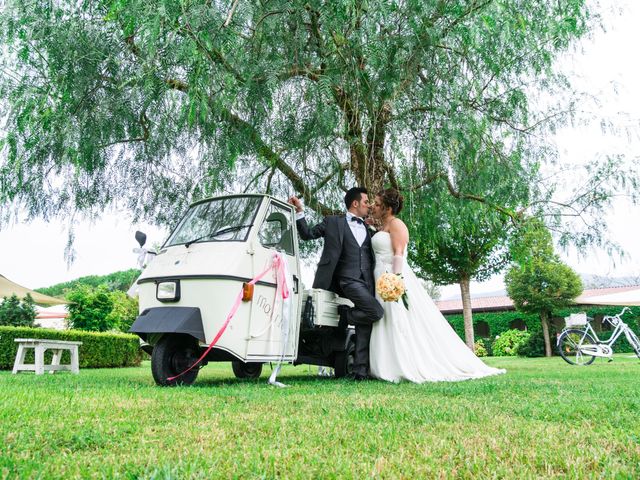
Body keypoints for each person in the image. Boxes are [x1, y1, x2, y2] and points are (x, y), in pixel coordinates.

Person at [368, 188, 506, 383]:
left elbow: (398, 253)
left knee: (397, 319)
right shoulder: (382, 226)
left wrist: (395, 279)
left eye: (377, 204)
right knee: (385, 318)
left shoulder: (397, 224)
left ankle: (402, 365)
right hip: (379, 278)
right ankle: (384, 364)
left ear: (388, 208)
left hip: (391, 277)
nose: (373, 206)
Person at [288, 188, 384, 380]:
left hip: (367, 281)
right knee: (376, 312)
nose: (369, 205)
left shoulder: (368, 228)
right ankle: (345, 315)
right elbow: (307, 234)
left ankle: (360, 372)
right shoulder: (333, 222)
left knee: (365, 324)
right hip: (346, 279)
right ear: (355, 203)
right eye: (366, 202)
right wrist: (299, 211)